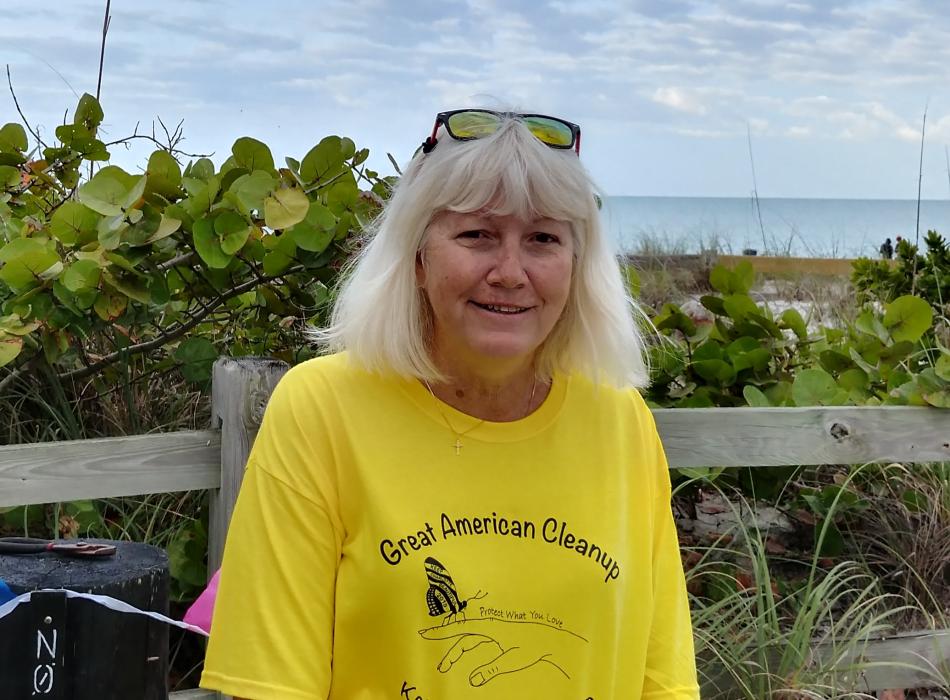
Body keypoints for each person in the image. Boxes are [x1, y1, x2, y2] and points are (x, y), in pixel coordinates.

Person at [199, 109, 700, 699]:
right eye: (476, 235)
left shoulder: (621, 422)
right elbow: (271, 686)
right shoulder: (322, 409)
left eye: (542, 239)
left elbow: (662, 681)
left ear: (577, 264)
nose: (510, 273)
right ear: (417, 256)